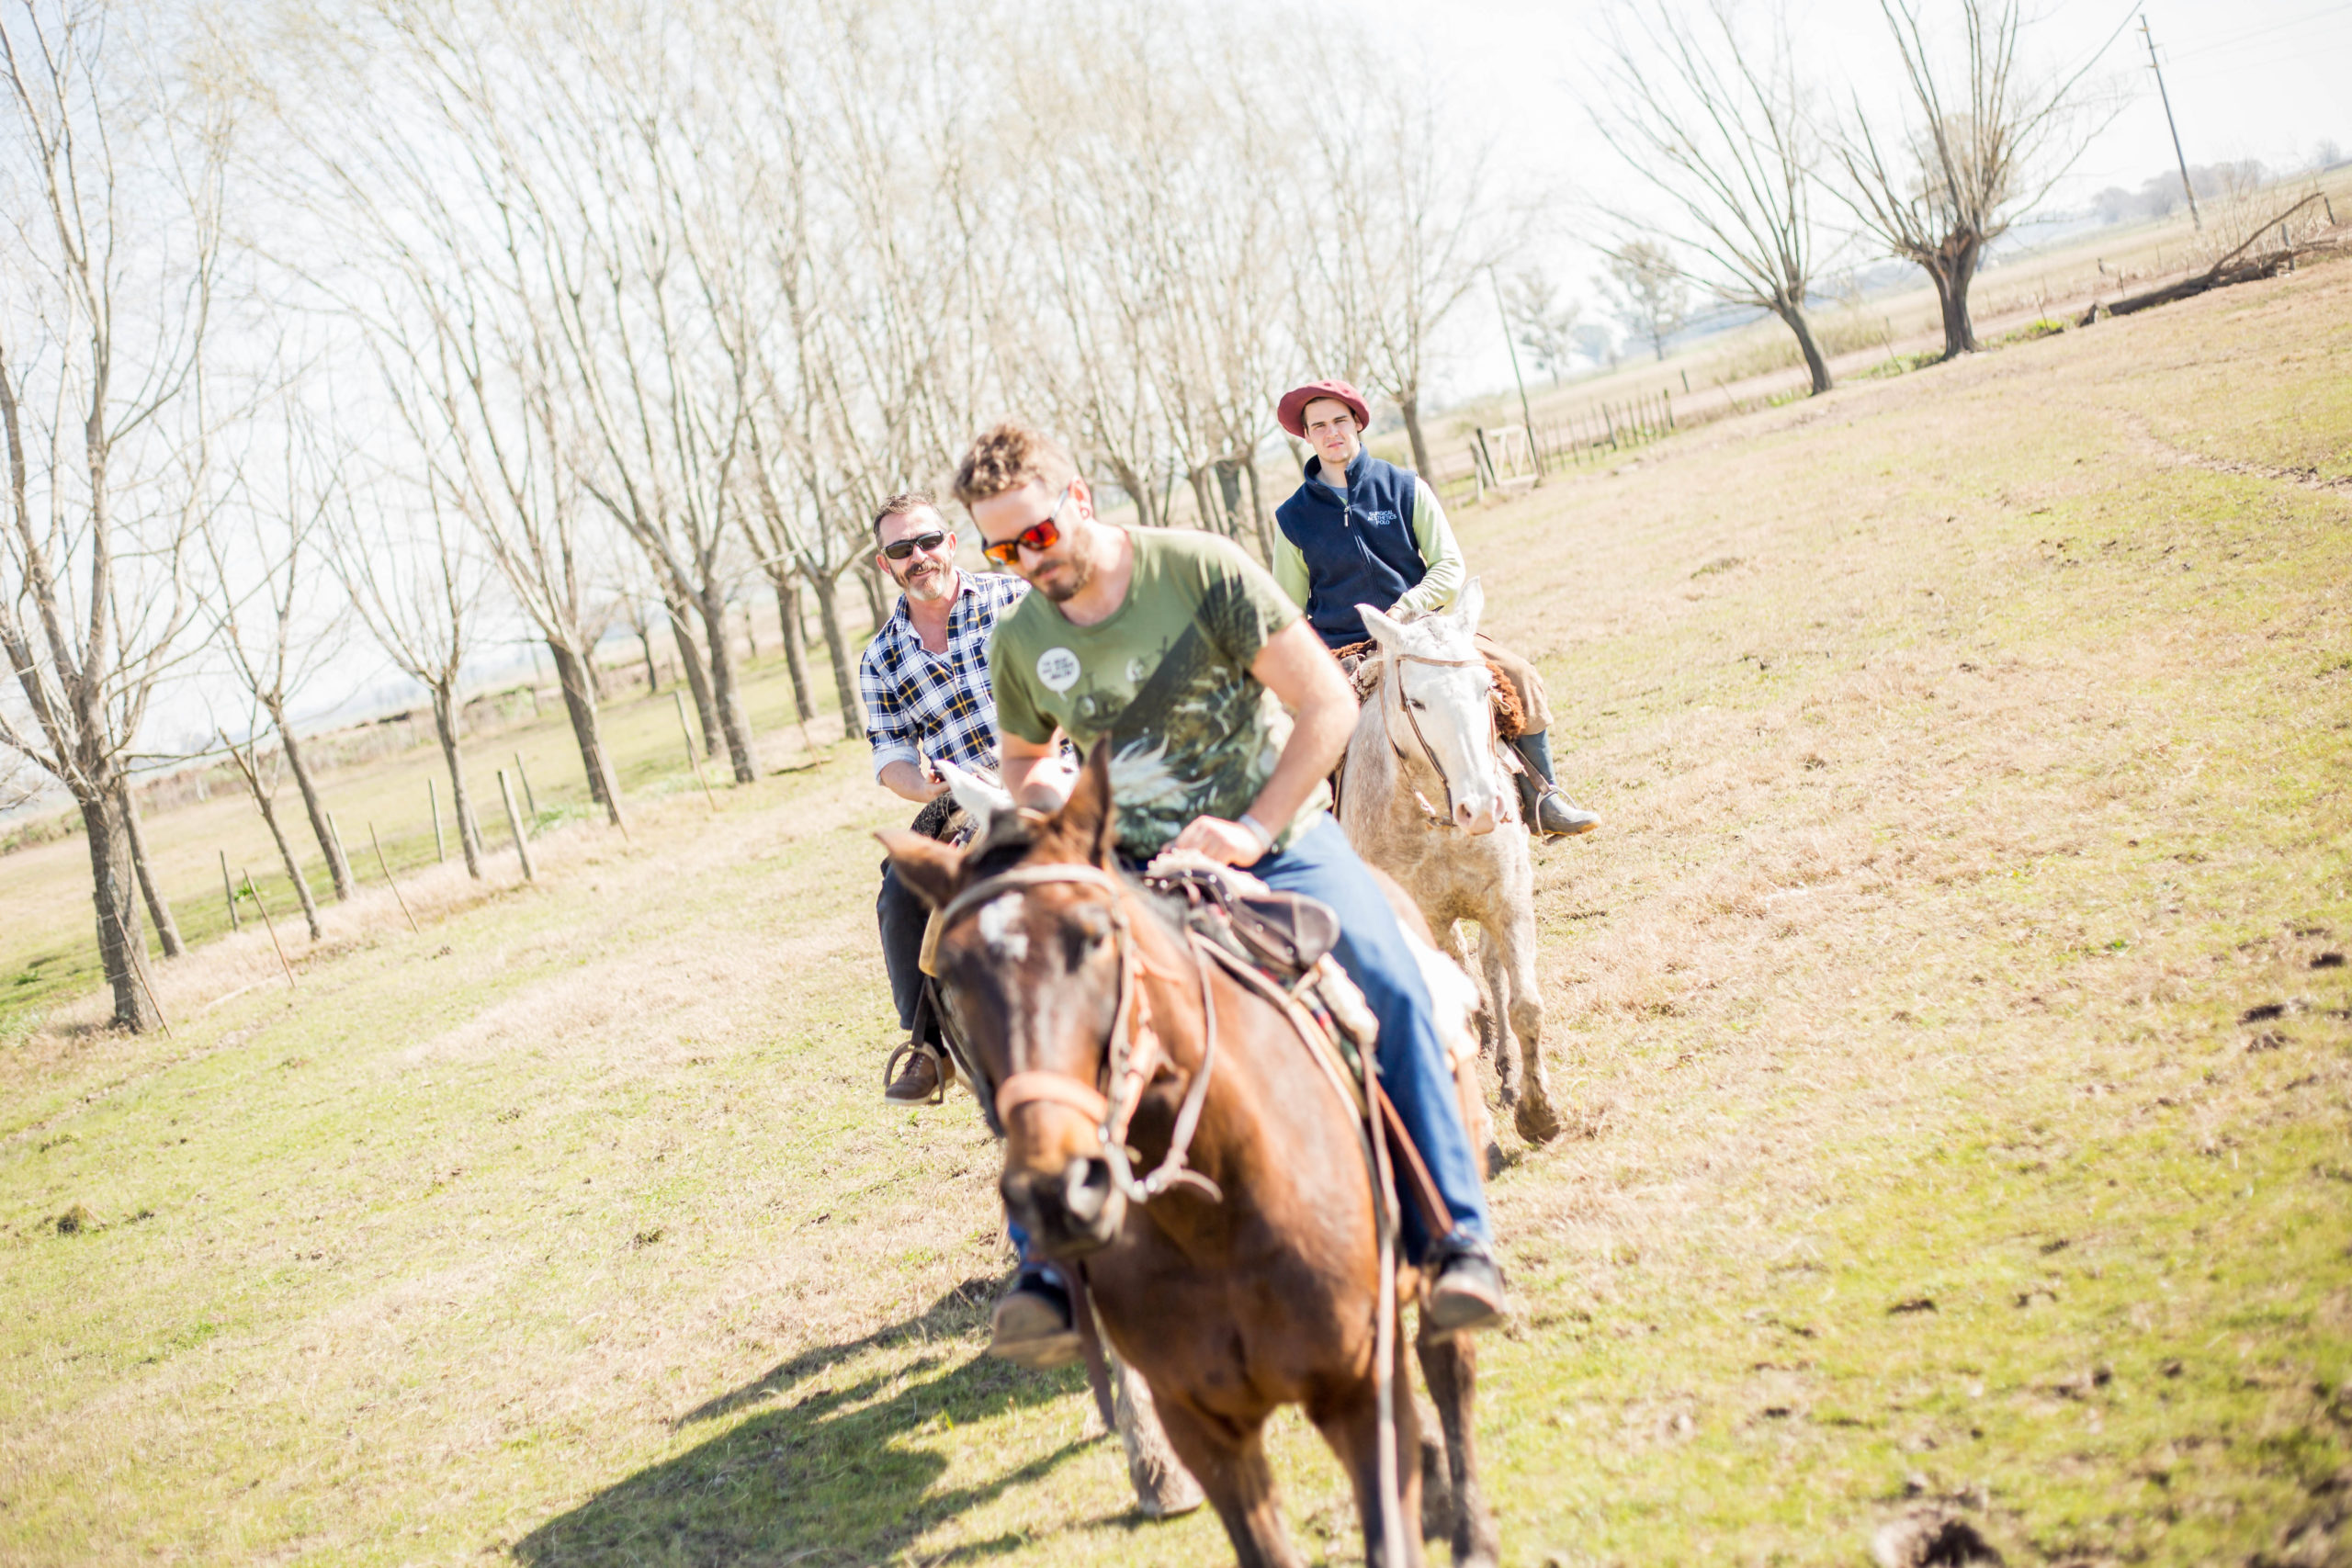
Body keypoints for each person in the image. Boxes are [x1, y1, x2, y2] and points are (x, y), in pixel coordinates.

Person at [953, 421, 1510, 1361]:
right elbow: (1022, 760)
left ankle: (1458, 1240)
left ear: (1078, 500)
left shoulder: (1198, 572)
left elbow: (1326, 705)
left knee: (1393, 986)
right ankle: (1046, 1271)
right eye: (999, 549)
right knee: (1031, 1029)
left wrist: (1249, 828)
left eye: (1036, 536)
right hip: (1129, 872)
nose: (1022, 563)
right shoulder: (1022, 636)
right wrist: (1049, 793)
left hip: (1277, 844)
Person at [1270, 378, 1598, 840]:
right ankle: (1327, 839)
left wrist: (1408, 607)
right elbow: (1286, 606)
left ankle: (1543, 797)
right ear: (1306, 435)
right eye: (1318, 425)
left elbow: (1448, 565)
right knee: (1317, 730)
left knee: (1518, 675)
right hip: (1346, 647)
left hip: (1422, 632)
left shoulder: (1403, 486)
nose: (1332, 432)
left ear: (1358, 423)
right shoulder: (1293, 518)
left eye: (1340, 420)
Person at [856, 491, 1031, 1103]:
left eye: (928, 541)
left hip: (1049, 767)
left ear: (950, 542)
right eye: (902, 549)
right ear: (887, 565)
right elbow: (891, 758)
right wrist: (922, 784)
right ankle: (926, 1044)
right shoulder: (881, 657)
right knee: (901, 888)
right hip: (964, 796)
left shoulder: (1015, 598)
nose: (919, 556)